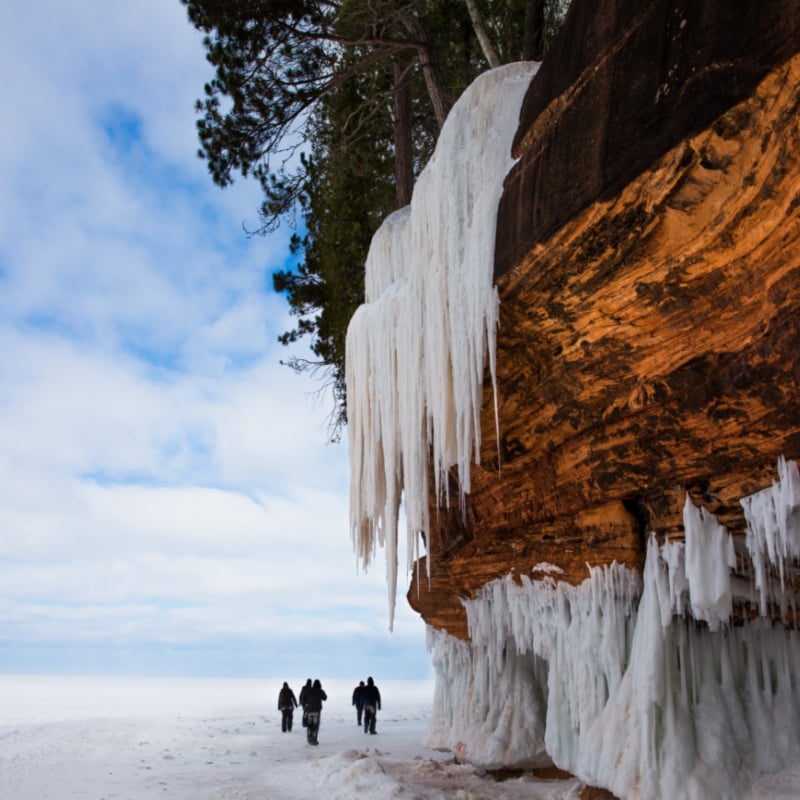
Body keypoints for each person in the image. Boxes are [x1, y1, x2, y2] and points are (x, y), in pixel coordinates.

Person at [303, 679, 327, 745]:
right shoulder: (320, 691)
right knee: (315, 726)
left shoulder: (309, 690)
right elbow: (325, 698)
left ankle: (309, 739)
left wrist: (304, 706)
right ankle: (314, 740)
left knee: (309, 725)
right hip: (317, 711)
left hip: (309, 711)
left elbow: (303, 698)